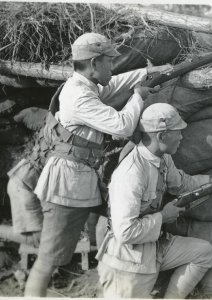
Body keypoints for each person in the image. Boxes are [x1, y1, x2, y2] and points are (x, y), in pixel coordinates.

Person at [24, 32, 169, 297]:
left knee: (109, 226)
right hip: (67, 186)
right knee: (47, 259)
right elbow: (123, 126)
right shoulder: (78, 97)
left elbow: (113, 85)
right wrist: (138, 97)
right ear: (93, 64)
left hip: (82, 179)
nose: (112, 68)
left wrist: (149, 74)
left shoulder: (86, 86)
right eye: (108, 62)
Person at [96, 103, 212, 298]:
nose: (182, 137)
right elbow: (125, 232)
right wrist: (163, 217)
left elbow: (183, 184)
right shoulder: (131, 174)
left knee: (203, 252)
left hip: (153, 246)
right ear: (162, 136)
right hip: (128, 261)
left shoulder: (162, 158)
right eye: (178, 132)